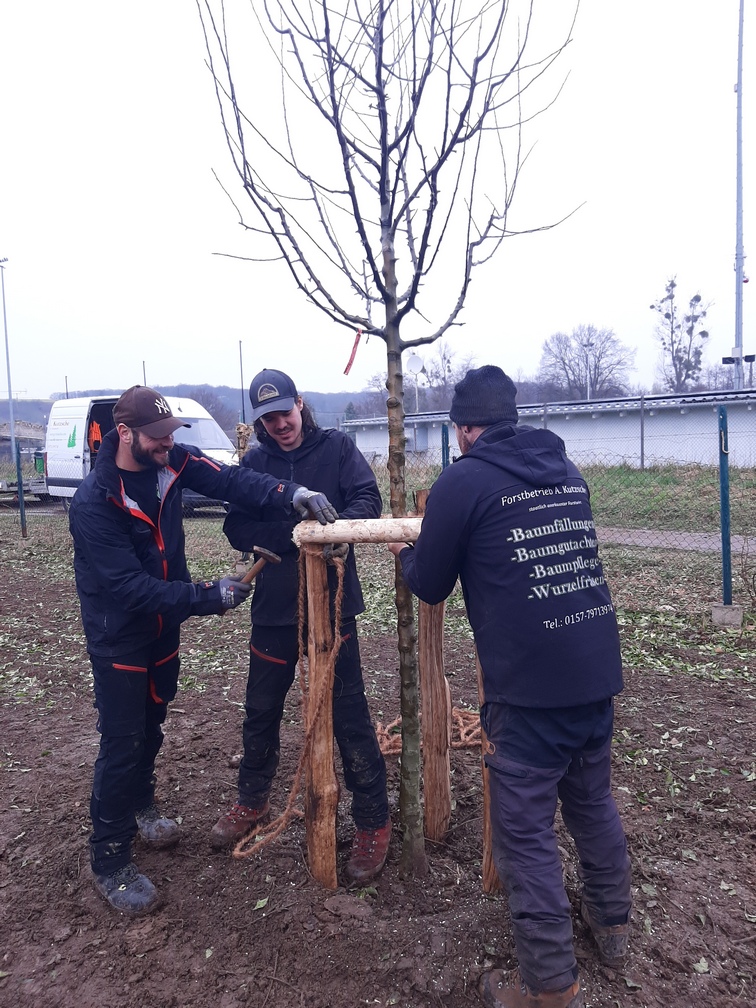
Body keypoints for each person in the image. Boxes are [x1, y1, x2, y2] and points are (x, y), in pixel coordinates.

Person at [388, 366, 632, 1008]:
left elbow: (431, 583)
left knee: (524, 837)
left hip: (528, 693)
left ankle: (549, 988)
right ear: (513, 420)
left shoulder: (463, 480)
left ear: (465, 430)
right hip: (593, 670)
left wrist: (404, 555)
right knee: (591, 802)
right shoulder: (564, 471)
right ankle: (612, 924)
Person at [69, 385, 338, 917]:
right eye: (158, 437)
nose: (169, 444)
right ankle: (109, 859)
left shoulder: (173, 462)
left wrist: (291, 494)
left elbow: (234, 480)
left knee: (152, 723)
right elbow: (128, 588)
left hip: (163, 628)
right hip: (119, 634)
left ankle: (142, 805)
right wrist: (206, 596)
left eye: (173, 435)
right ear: (125, 434)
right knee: (121, 741)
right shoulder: (95, 501)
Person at [212, 368, 391, 883]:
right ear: (259, 422)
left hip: (333, 605)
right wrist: (293, 531)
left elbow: (367, 501)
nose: (279, 425)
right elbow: (235, 525)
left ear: (301, 405)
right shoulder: (256, 461)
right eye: (268, 419)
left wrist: (339, 532)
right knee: (261, 708)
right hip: (273, 607)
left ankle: (372, 822)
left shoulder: (337, 449)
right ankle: (252, 801)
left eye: (285, 414)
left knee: (349, 712)